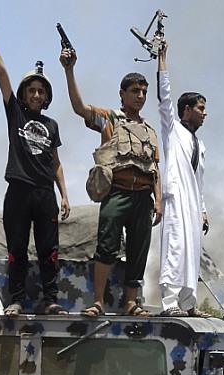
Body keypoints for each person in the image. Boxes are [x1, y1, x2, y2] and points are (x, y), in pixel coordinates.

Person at [0, 3, 70, 315]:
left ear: (47, 96)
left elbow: (55, 160)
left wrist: (65, 194)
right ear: (24, 93)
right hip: (18, 189)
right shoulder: (14, 112)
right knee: (17, 249)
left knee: (49, 252)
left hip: (45, 194)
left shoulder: (52, 125)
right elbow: (1, 71)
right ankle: (16, 299)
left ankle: (51, 300)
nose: (37, 95)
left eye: (41, 91)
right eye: (32, 90)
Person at [60, 46, 162, 317]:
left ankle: (131, 302)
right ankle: (98, 301)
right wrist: (69, 70)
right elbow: (79, 108)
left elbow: (155, 169)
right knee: (106, 248)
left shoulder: (149, 130)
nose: (140, 96)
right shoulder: (110, 119)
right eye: (134, 91)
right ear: (122, 93)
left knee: (139, 251)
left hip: (143, 197)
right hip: (116, 192)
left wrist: (159, 201)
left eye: (143, 92)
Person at [157, 41, 210, 318]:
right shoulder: (172, 130)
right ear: (187, 109)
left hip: (192, 202)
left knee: (192, 252)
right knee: (175, 247)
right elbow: (164, 98)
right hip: (176, 197)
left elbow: (199, 181)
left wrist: (202, 210)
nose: (205, 113)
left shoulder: (199, 145)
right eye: (200, 108)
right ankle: (170, 302)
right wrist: (162, 59)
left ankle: (189, 303)